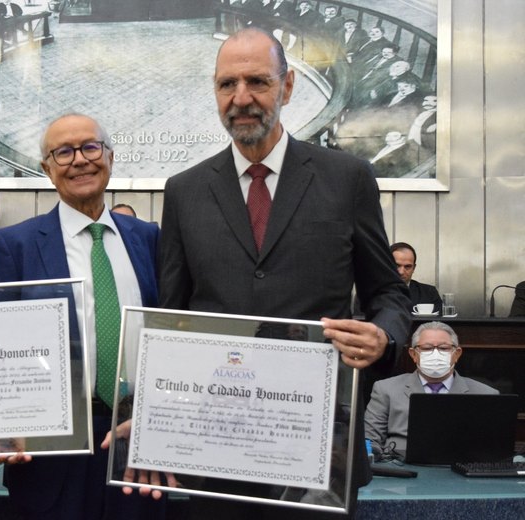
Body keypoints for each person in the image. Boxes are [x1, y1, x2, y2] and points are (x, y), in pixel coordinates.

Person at [158, 28, 411, 519]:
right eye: (227, 84)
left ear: (288, 87)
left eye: (258, 82)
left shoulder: (347, 178)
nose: (242, 98)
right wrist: (150, 413)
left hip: (319, 446)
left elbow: (387, 292)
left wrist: (384, 337)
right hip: (213, 449)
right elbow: (172, 317)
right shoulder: (184, 191)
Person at [0, 113, 162, 520]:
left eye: (89, 147)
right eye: (63, 152)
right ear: (47, 169)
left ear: (110, 157)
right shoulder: (14, 245)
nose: (79, 160)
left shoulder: (149, 239)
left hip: (137, 448)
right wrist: (2, 427)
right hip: (49, 454)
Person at [364, 321, 498, 460]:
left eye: (444, 348)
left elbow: (493, 445)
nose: (435, 354)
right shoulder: (386, 389)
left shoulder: (486, 394)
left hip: (463, 469)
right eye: (427, 348)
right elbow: (369, 439)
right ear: (413, 354)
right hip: (401, 467)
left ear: (457, 354)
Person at [390, 242, 443, 314]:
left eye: (407, 267)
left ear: (413, 268)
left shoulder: (429, 293)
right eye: (397, 265)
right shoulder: (372, 291)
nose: (401, 272)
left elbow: (440, 323)